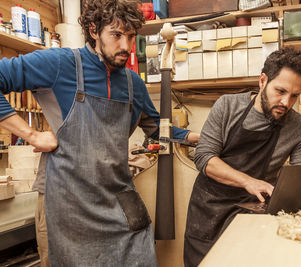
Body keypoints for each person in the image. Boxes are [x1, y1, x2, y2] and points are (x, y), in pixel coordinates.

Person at [0, 0, 199, 266]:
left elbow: (156, 129)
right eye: (116, 35)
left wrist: (195, 137)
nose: (126, 47)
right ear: (94, 30)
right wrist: (31, 134)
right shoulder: (60, 64)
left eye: (130, 36)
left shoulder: (133, 84)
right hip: (67, 203)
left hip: (117, 199)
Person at [184, 47, 301, 266]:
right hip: (208, 210)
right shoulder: (227, 106)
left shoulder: (298, 126)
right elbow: (204, 157)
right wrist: (248, 181)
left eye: (294, 96)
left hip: (254, 213)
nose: (286, 102)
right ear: (262, 81)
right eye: (280, 91)